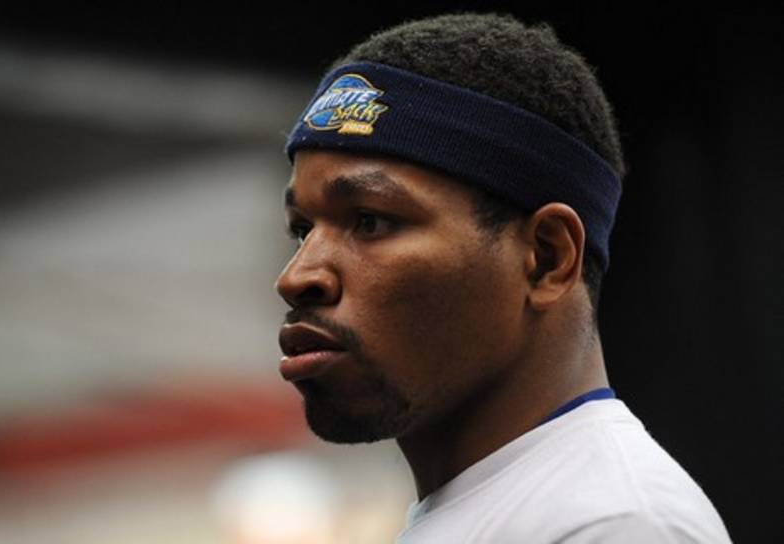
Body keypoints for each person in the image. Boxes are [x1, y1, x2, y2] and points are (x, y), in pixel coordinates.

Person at [274, 12, 731, 543]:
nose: (297, 277)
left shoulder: (617, 523)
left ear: (547, 257)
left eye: (370, 221)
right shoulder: (501, 509)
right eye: (302, 229)